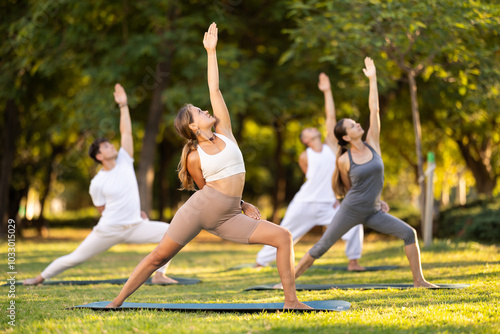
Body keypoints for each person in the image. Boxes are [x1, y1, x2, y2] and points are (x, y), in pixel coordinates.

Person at [105, 23, 310, 309]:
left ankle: (291, 302)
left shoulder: (224, 130)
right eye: (198, 112)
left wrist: (211, 52)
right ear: (192, 125)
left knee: (283, 236)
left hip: (228, 216)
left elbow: (214, 87)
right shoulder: (193, 155)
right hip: (200, 211)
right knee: (158, 257)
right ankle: (116, 302)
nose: (205, 110)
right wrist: (238, 203)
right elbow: (205, 189)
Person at [291, 57, 436, 288]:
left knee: (409, 233)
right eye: (351, 125)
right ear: (346, 137)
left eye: (355, 122)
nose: (357, 124)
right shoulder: (344, 160)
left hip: (373, 211)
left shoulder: (373, 144)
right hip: (350, 210)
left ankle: (420, 281)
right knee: (320, 248)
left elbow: (374, 109)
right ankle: (286, 283)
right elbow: (349, 188)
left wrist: (373, 79)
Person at [24, 83, 178, 285]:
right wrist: (120, 215)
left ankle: (159, 275)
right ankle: (39, 278)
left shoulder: (124, 159)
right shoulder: (97, 182)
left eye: (110, 144)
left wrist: (123, 106)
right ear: (99, 156)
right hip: (109, 230)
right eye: (106, 146)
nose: (111, 146)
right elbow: (100, 208)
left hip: (136, 226)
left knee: (172, 232)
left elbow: (127, 133)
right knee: (75, 258)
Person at [255, 72, 366, 271]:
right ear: (305, 140)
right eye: (307, 131)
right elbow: (311, 177)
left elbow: (331, 118)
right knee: (285, 232)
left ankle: (354, 262)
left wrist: (327, 91)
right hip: (305, 202)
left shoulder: (331, 147)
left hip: (328, 205)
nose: (312, 129)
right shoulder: (304, 156)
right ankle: (261, 261)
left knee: (354, 224)